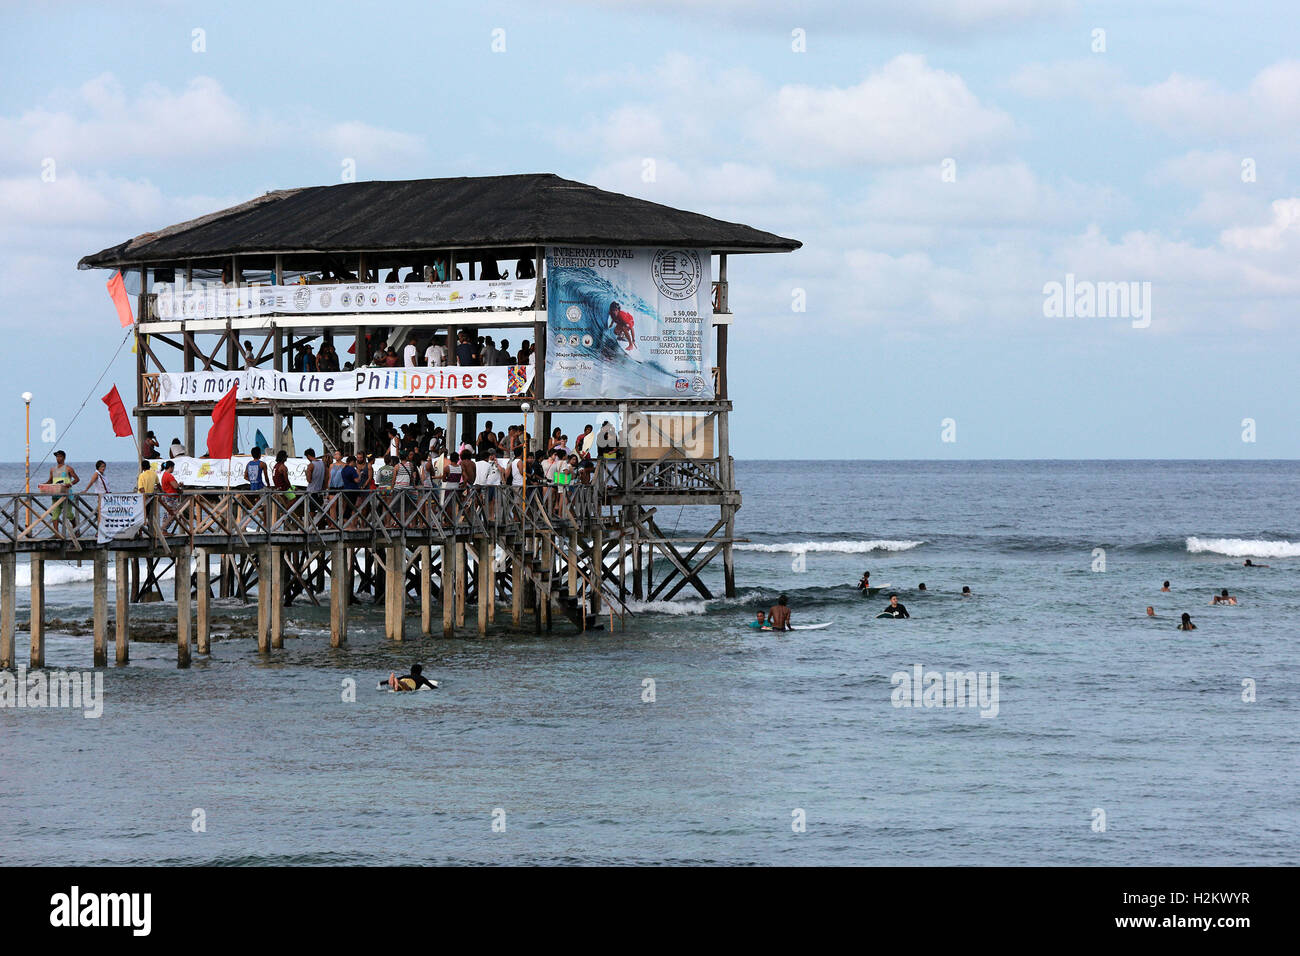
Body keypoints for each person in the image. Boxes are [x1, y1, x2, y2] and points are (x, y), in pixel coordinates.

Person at [47, 450, 79, 534]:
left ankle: (75, 526)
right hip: (56, 495)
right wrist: (44, 485)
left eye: (60, 456)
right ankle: (57, 534)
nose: (58, 458)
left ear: (64, 458)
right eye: (57, 456)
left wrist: (70, 483)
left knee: (68, 514)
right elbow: (50, 481)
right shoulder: (52, 469)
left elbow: (77, 479)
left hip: (66, 495)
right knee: (54, 516)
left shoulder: (68, 468)